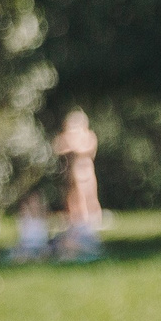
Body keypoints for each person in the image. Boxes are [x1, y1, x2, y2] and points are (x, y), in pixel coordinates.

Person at [50, 110, 101, 261]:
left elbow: (85, 148)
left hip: (85, 170)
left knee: (88, 195)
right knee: (72, 198)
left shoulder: (89, 136)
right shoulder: (67, 138)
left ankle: (90, 222)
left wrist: (73, 142)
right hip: (71, 173)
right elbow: (58, 146)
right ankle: (75, 221)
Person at [7, 193, 51, 265]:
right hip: (27, 246)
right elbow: (23, 236)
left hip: (40, 246)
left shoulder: (43, 218)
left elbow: (44, 237)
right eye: (32, 203)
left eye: (36, 202)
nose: (34, 205)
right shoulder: (25, 220)